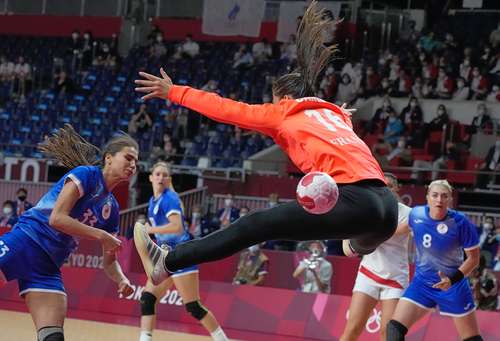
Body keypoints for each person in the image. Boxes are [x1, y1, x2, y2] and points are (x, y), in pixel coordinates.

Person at [133, 1, 398, 287]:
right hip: (386, 208)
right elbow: (335, 128)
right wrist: (341, 113)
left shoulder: (282, 112)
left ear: (282, 97)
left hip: (354, 203)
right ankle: (357, 246)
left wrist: (175, 92)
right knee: (355, 239)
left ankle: (168, 262)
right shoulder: (333, 115)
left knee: (255, 225)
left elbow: (226, 108)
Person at [0, 125, 138, 341]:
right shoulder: (86, 175)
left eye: (136, 162)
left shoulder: (112, 209)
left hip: (47, 266)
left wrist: (121, 280)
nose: (133, 165)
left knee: (53, 337)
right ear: (109, 158)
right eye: (128, 158)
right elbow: (57, 219)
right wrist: (101, 235)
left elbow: (109, 260)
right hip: (25, 241)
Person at [137, 162, 228, 341]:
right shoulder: (153, 200)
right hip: (166, 257)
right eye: (157, 174)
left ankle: (222, 339)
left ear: (169, 179)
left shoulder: (169, 198)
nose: (160, 177)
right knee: (147, 298)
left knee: (193, 306)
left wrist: (149, 230)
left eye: (164, 175)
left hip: (181, 255)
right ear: (150, 177)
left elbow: (177, 227)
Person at [386, 180, 482, 341]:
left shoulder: (460, 222)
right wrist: (374, 235)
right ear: (427, 197)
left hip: (453, 286)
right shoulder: (416, 214)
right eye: (435, 195)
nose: (439, 200)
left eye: (444, 196)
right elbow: (401, 229)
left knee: (471, 338)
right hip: (422, 284)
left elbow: (474, 259)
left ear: (450, 199)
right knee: (394, 329)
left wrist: (452, 280)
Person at [340, 173, 411, 341]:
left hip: (395, 279)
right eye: (382, 186)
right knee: (353, 329)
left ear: (397, 189)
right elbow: (348, 240)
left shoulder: (408, 214)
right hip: (368, 274)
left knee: (388, 335)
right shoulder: (368, 210)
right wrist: (347, 240)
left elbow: (398, 232)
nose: (385, 190)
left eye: (390, 186)